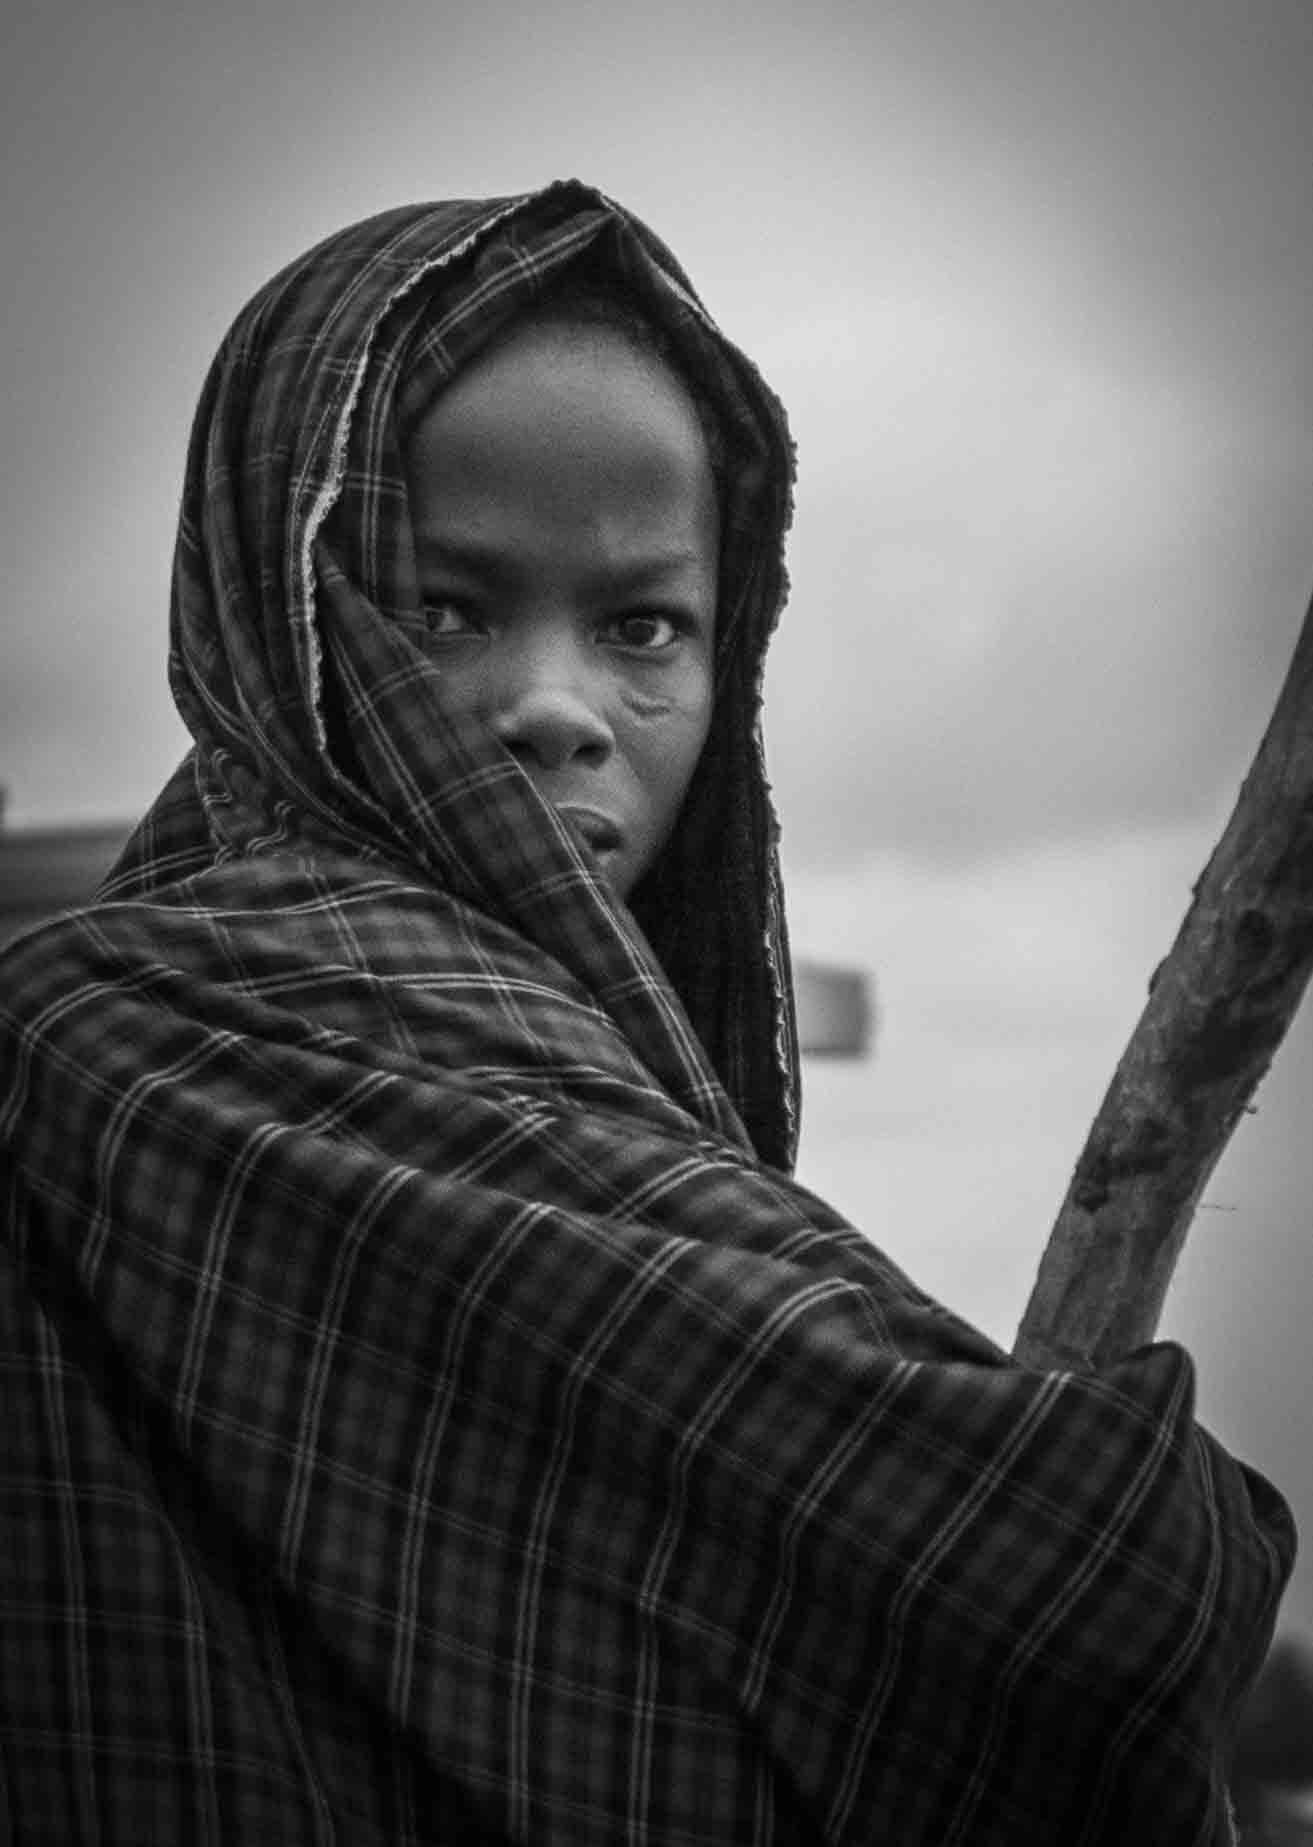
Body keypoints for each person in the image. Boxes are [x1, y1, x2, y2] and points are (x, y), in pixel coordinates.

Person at [0, 180, 1294, 1845]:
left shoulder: (589, 1097)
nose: (555, 707)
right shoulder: (108, 1047)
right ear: (279, 610)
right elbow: (1100, 1574)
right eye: (445, 609)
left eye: (641, 629)